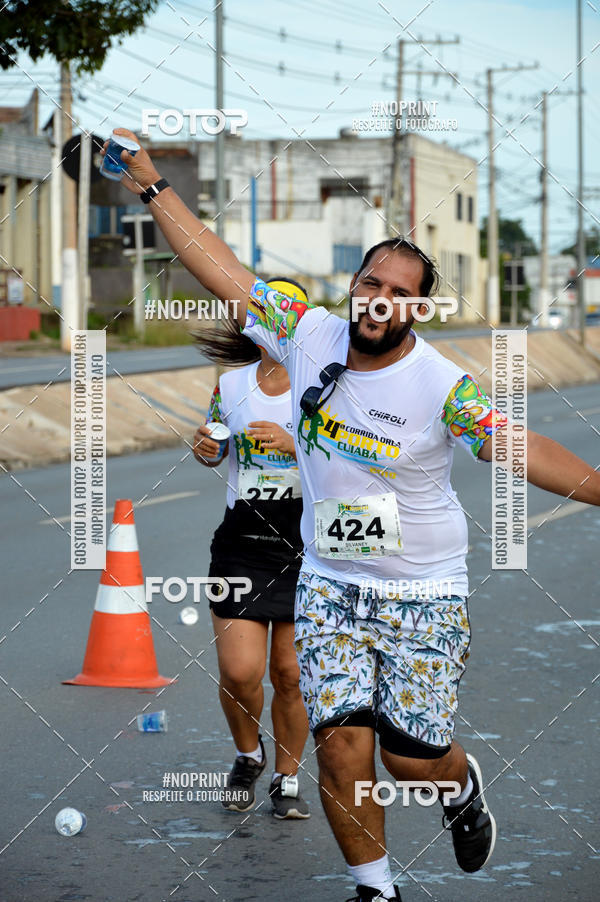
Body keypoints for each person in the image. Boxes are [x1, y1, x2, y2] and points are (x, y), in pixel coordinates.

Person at [106, 131, 600, 902]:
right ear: (354, 285)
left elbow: (519, 446)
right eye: (372, 281)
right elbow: (217, 264)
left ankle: (459, 784)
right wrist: (149, 183)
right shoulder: (307, 333)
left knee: (409, 758)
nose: (381, 298)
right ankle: (375, 889)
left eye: (400, 292)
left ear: (419, 307)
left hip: (423, 591)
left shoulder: (441, 385)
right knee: (339, 748)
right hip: (330, 584)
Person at [192, 284, 311, 820]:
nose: (273, 325)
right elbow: (214, 449)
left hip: (307, 541)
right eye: (262, 315)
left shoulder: (327, 385)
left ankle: (287, 778)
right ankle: (248, 755)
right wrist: (206, 449)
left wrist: (296, 445)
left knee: (290, 674)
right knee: (240, 671)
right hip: (242, 539)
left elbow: (359, 457)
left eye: (286, 316)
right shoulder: (232, 384)